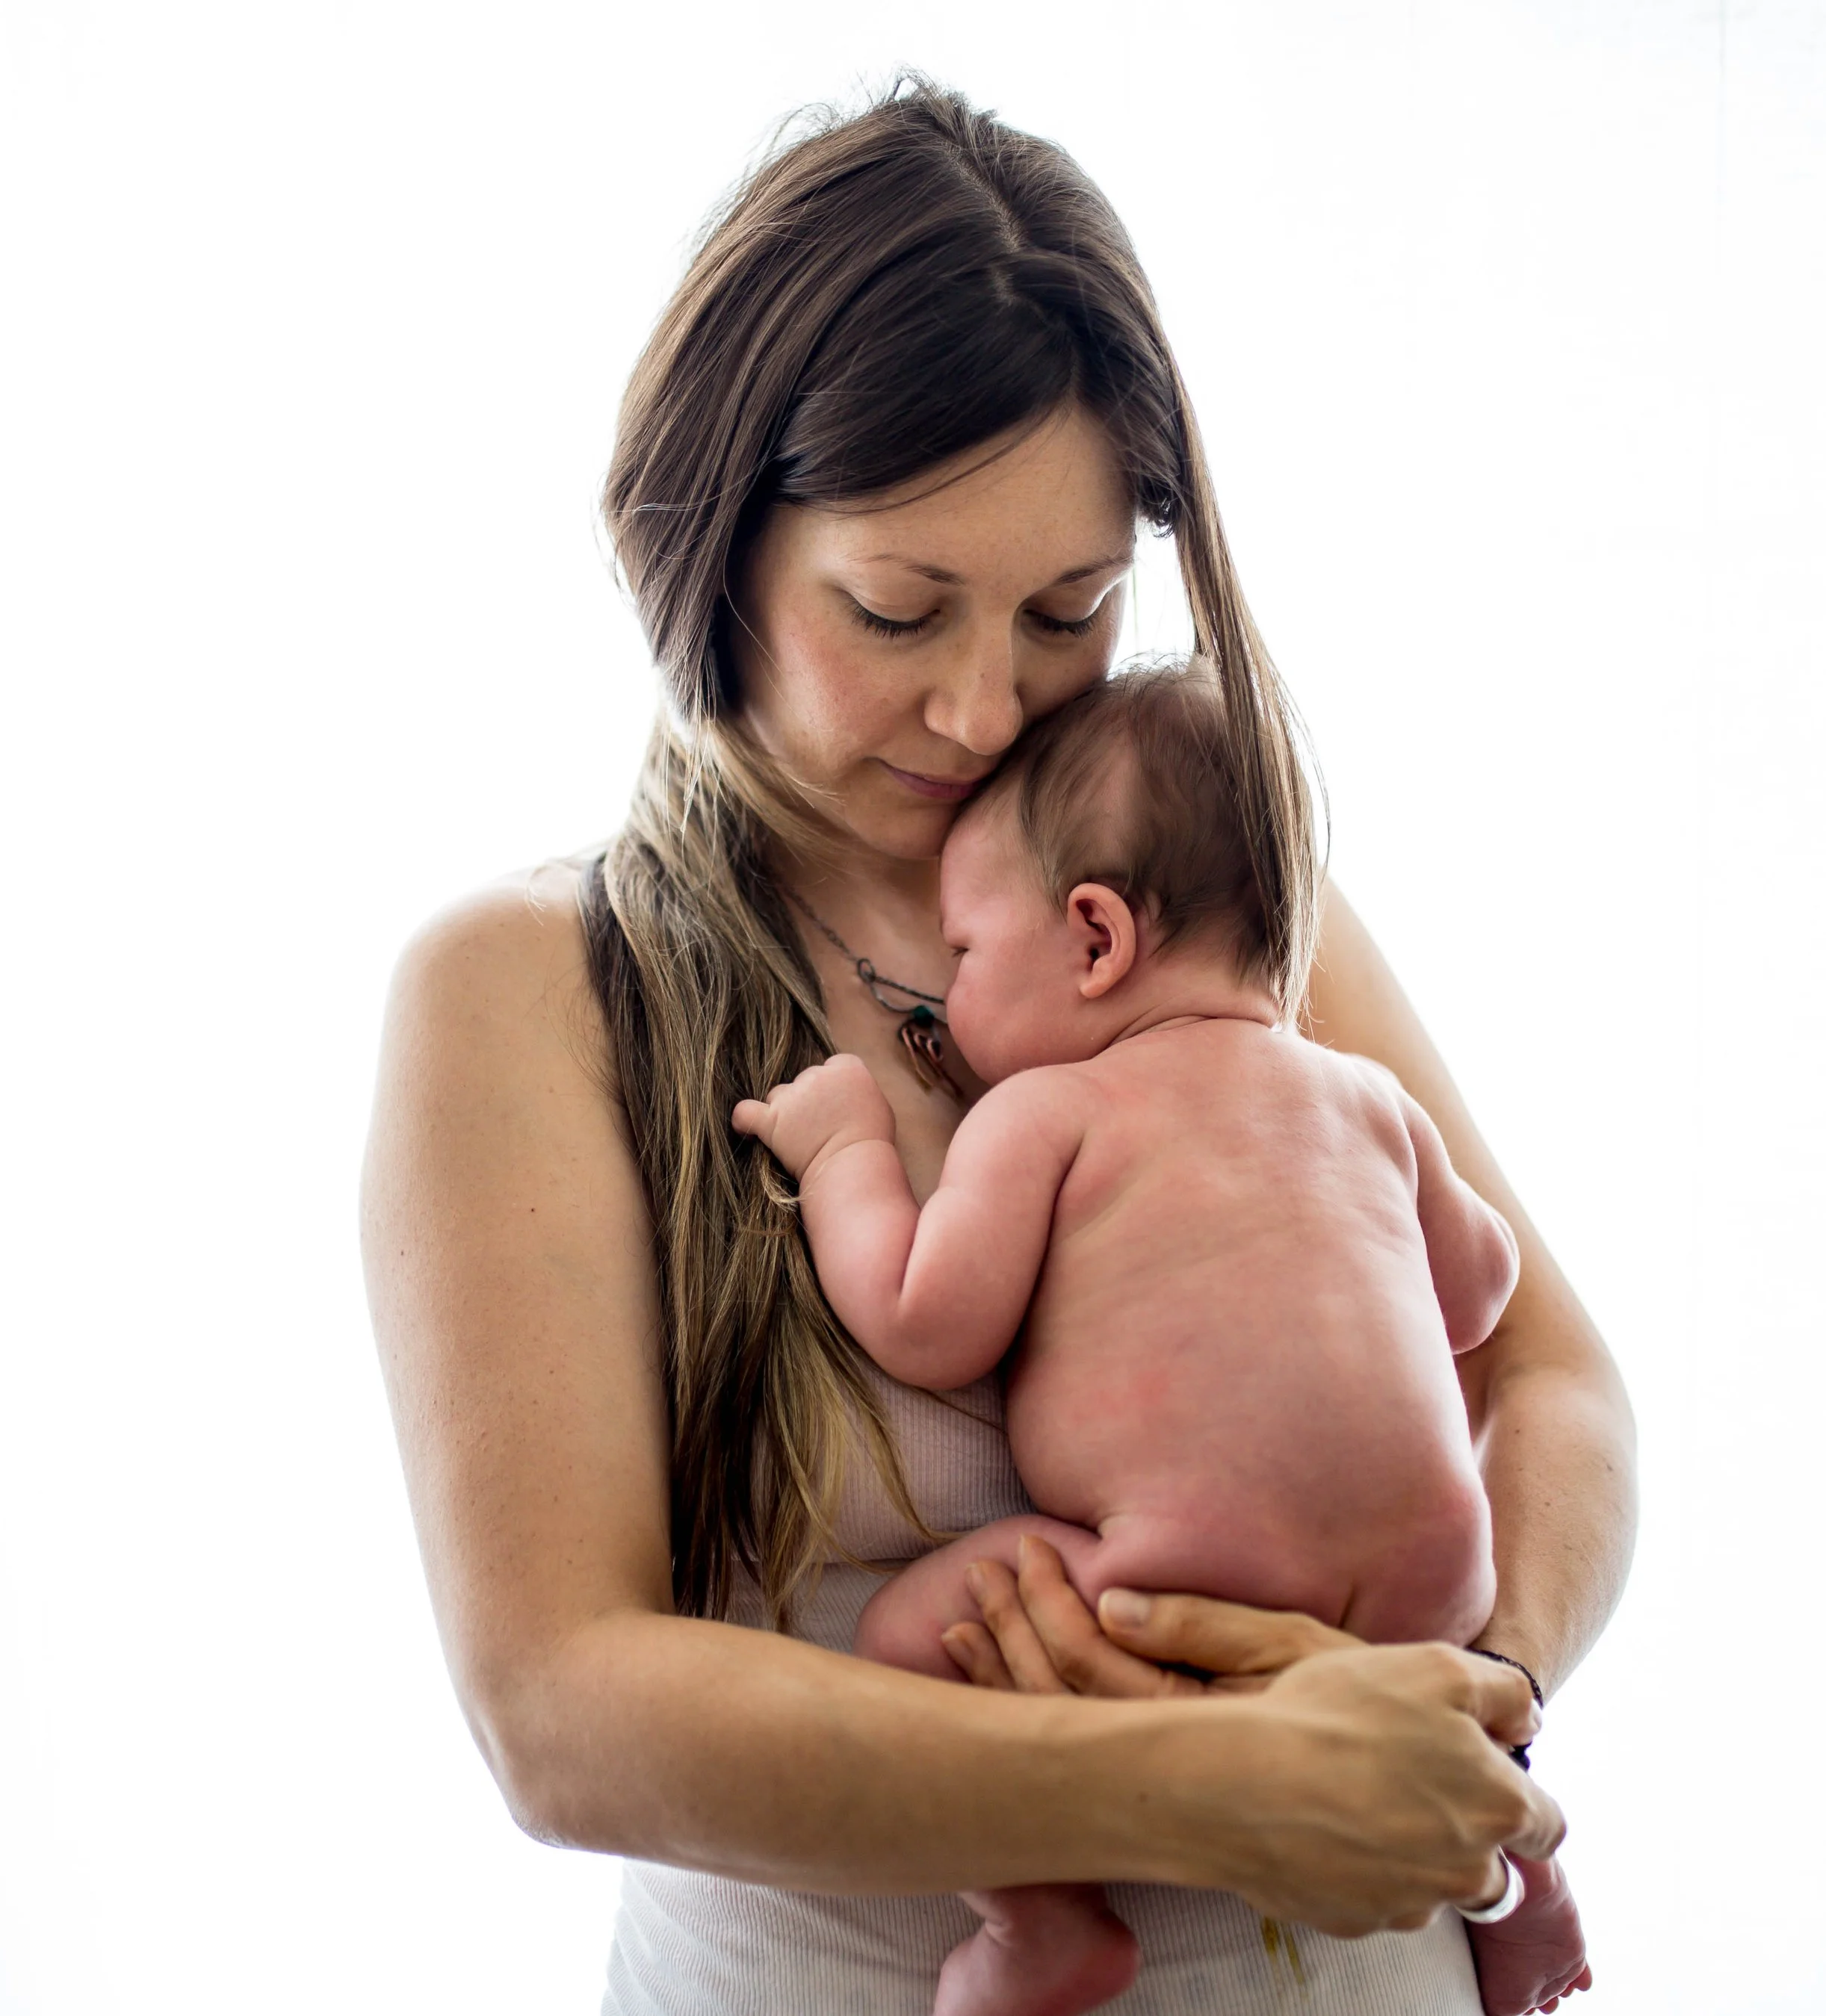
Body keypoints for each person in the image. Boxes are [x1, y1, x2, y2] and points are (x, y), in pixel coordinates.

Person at [360, 81, 1635, 2015]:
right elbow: (561, 1707)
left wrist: (1477, 1695)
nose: (981, 706)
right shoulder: (531, 988)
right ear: (709, 552)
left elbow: (1550, 1382)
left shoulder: (1197, 902)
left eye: (1069, 610)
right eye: (893, 609)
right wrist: (1207, 1783)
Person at [733, 660, 1591, 2016]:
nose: (949, 993)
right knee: (1427, 1735)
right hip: (1435, 1588)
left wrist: (846, 1147)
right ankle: (1522, 1885)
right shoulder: (1363, 1098)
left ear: (1094, 939)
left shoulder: (1049, 1114)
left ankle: (1046, 1924)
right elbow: (1482, 1292)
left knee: (910, 1638)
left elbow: (923, 1322)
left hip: (1185, 1576)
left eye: (964, 953)